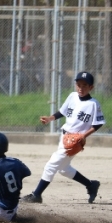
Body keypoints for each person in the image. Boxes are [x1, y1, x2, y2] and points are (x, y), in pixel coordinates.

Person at [21, 71, 105, 204]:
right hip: (64, 137)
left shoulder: (93, 104)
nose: (81, 88)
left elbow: (98, 124)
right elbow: (62, 112)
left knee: (51, 165)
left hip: (75, 141)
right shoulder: (72, 96)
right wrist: (50, 118)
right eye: (78, 85)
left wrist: (83, 136)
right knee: (63, 169)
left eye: (84, 85)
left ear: (91, 87)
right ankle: (90, 185)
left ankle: (36, 195)